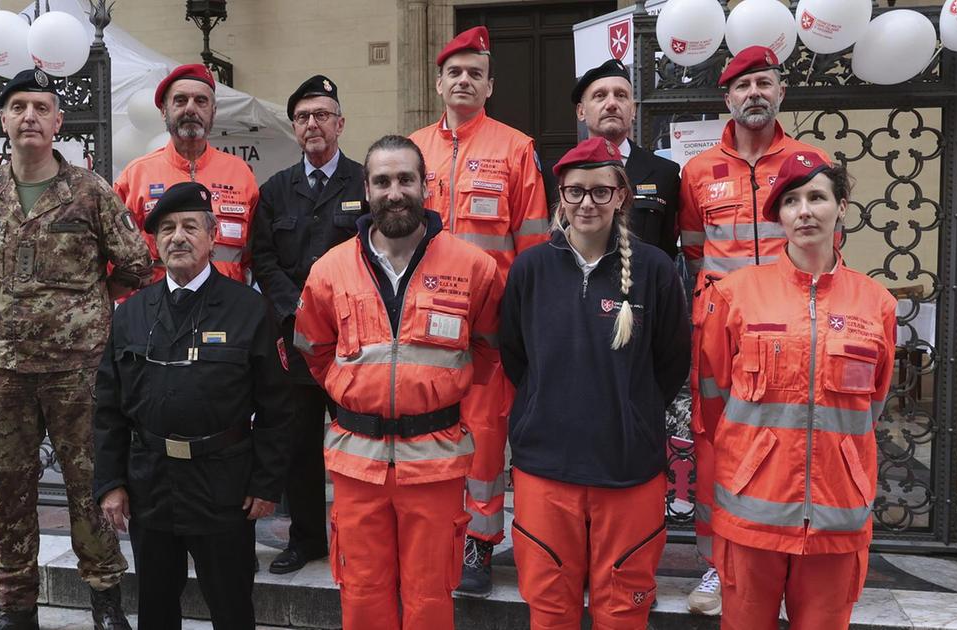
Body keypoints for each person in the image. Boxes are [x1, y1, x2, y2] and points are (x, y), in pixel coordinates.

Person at [0, 68, 151, 630]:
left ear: (59, 122)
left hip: (78, 372)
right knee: (9, 490)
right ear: (3, 120)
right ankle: (16, 607)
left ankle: (105, 601)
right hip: (7, 371)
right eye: (19, 106)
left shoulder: (90, 190)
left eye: (41, 107)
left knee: (91, 488)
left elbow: (135, 263)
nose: (29, 116)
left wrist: (85, 310)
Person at [293, 135, 502, 629]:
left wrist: (434, 393)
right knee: (362, 595)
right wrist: (356, 393)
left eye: (405, 179)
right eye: (382, 181)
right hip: (357, 463)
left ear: (424, 186)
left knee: (430, 598)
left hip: (434, 463)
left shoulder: (474, 267)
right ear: (366, 189)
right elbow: (313, 350)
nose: (395, 192)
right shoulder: (330, 270)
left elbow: (490, 350)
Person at [695, 152, 895, 628]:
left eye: (817, 197)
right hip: (751, 513)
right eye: (791, 201)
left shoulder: (876, 303)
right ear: (778, 215)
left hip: (837, 515)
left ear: (841, 207)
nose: (804, 210)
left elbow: (873, 405)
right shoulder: (735, 294)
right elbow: (714, 396)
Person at [500, 137, 690, 628]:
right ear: (559, 196)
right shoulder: (529, 270)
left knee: (624, 610)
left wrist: (632, 412)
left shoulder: (656, 270)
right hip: (546, 469)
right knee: (549, 608)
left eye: (600, 192)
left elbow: (670, 363)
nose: (587, 203)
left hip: (628, 471)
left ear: (621, 196)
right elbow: (515, 358)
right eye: (575, 191)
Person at [93, 181, 295, 629]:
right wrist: (110, 483)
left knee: (231, 605)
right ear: (155, 241)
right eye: (166, 229)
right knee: (156, 608)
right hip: (151, 484)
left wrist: (266, 484)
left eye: (189, 226)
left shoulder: (249, 310)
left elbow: (278, 407)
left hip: (223, 484)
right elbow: (108, 407)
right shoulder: (131, 313)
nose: (177, 237)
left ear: (213, 235)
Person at [677, 45, 831, 615]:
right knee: (717, 443)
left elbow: (822, 248)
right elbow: (692, 252)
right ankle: (719, 566)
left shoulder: (808, 162)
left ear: (781, 92)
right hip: (720, 331)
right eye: (743, 87)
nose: (754, 94)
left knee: (793, 437)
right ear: (727, 98)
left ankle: (792, 559)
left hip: (791, 328)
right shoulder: (698, 170)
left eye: (764, 83)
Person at [408, 25, 549, 596]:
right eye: (455, 72)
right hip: (423, 320)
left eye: (475, 73)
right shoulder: (413, 148)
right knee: (425, 430)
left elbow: (534, 242)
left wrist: (529, 319)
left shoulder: (516, 148)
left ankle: (479, 544)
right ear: (439, 82)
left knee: (484, 435)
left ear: (490, 86)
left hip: (491, 324)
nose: (464, 80)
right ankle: (433, 532)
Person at [249, 75, 367, 575]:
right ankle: (307, 540)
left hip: (355, 339)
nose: (312, 124)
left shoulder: (365, 182)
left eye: (322, 115)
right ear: (295, 128)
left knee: (358, 443)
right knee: (299, 445)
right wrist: (295, 309)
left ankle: (359, 539)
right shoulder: (276, 190)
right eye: (303, 117)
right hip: (296, 341)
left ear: (340, 123)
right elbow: (264, 258)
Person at [115, 64, 258, 286]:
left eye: (201, 101)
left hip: (225, 308)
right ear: (164, 111)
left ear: (213, 111)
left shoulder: (240, 174)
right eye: (180, 100)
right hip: (157, 310)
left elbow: (254, 254)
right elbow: (116, 259)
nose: (190, 109)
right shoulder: (135, 176)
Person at [572, 58, 680, 257]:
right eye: (600, 95)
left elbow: (667, 251)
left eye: (621, 96)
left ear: (633, 110)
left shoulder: (665, 174)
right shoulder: (557, 174)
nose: (611, 104)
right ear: (581, 111)